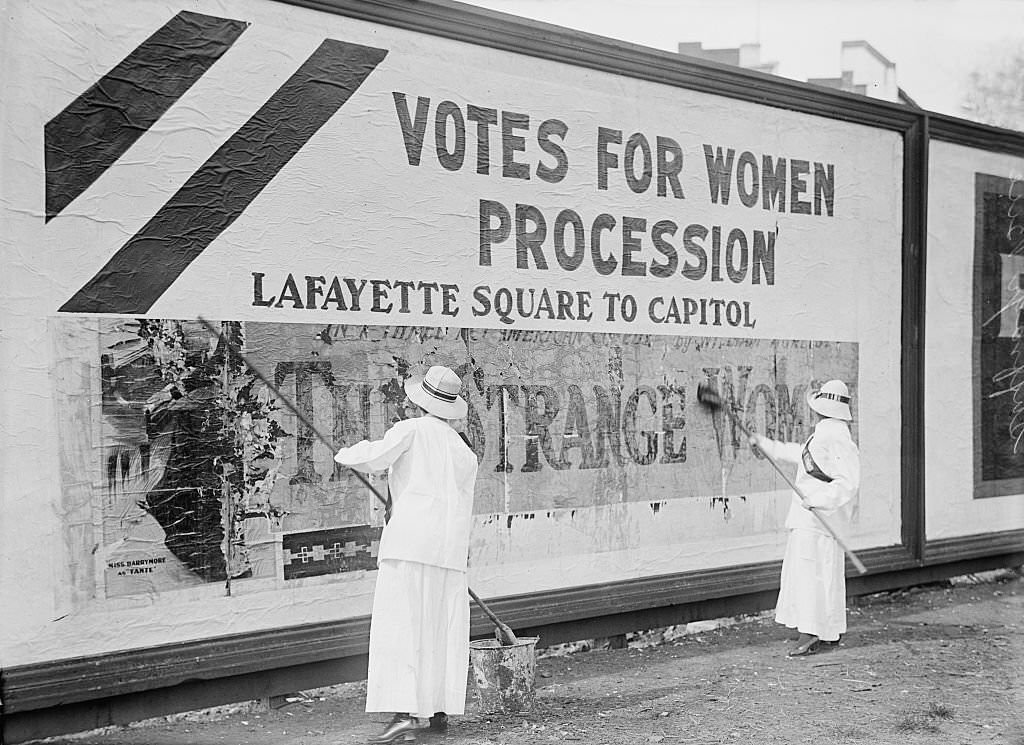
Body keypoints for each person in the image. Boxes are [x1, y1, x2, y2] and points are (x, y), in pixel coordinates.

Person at [334, 365, 478, 743]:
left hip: (411, 546)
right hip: (448, 552)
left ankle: (407, 714)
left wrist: (343, 453)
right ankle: (436, 711)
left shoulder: (411, 430)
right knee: (439, 628)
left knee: (403, 627)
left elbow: (373, 458)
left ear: (421, 401)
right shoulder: (464, 451)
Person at [748, 379, 861, 657]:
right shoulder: (825, 434)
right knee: (821, 574)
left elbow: (849, 482)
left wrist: (818, 500)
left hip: (816, 520)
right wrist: (766, 444)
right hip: (811, 519)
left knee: (812, 575)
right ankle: (828, 631)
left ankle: (810, 634)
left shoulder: (834, 437)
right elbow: (798, 454)